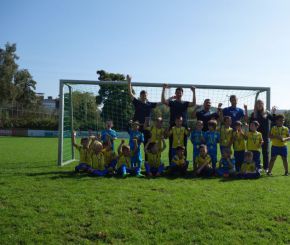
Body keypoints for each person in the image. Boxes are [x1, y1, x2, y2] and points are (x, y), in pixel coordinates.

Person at [161, 84, 197, 161]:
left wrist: (194, 91)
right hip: (173, 126)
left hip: (183, 126)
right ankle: (171, 164)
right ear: (175, 93)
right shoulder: (172, 103)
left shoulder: (185, 103)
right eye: (177, 92)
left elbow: (193, 103)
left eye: (180, 92)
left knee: (184, 146)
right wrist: (164, 89)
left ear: (182, 94)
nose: (179, 94)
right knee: (171, 146)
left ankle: (183, 163)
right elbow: (163, 101)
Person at [127, 75, 158, 152]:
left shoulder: (150, 104)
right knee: (134, 145)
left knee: (148, 146)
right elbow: (130, 93)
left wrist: (169, 99)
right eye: (142, 95)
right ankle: (134, 161)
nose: (144, 96)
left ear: (147, 96)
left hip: (146, 127)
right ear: (140, 96)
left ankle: (147, 162)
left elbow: (161, 103)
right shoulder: (137, 102)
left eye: (145, 95)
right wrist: (129, 82)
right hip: (136, 127)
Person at [250, 99, 276, 171]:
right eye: (258, 103)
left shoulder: (267, 112)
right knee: (255, 152)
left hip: (265, 135)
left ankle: (266, 167)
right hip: (255, 136)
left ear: (263, 104)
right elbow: (250, 124)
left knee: (265, 152)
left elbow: (274, 119)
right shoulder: (253, 114)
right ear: (256, 105)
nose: (259, 105)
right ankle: (255, 166)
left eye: (261, 103)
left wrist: (273, 112)